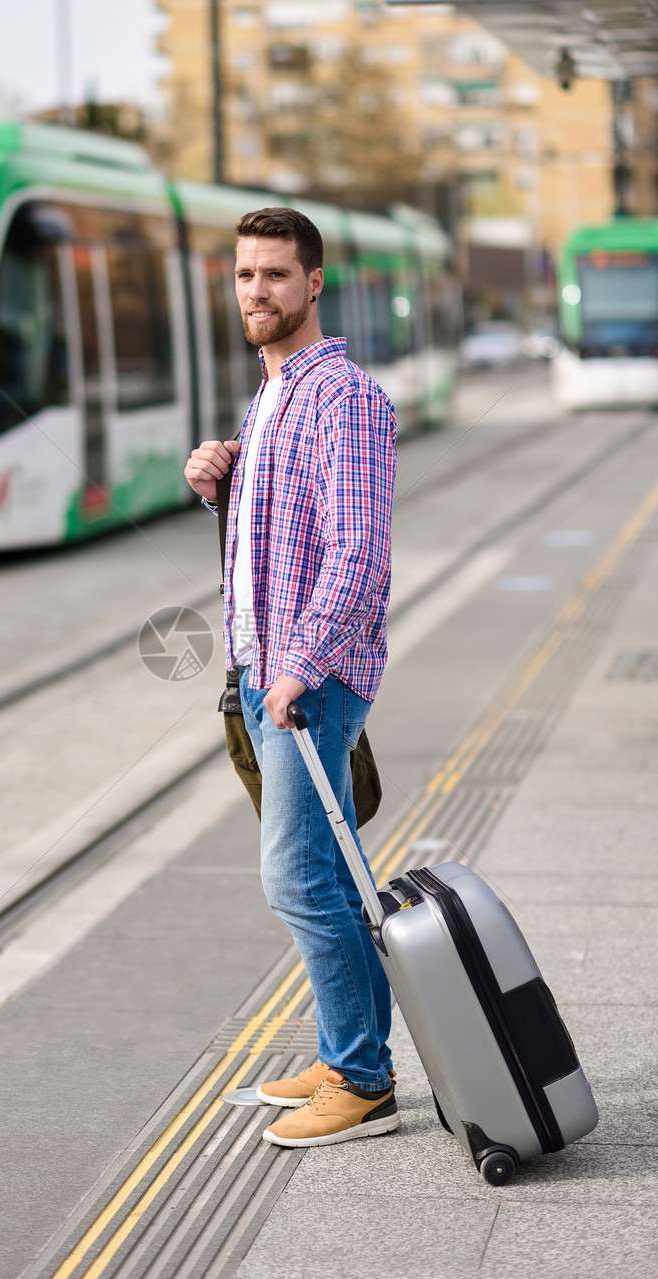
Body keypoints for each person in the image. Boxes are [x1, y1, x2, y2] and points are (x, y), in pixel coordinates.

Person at [184, 207, 398, 1148]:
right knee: (328, 878)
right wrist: (221, 481)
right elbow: (286, 526)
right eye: (244, 276)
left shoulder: (341, 396)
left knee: (300, 880)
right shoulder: (271, 393)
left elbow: (360, 558)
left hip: (306, 682)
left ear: (315, 284)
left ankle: (362, 1078)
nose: (257, 292)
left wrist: (297, 670)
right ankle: (342, 1050)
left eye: (276, 275)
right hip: (267, 668)